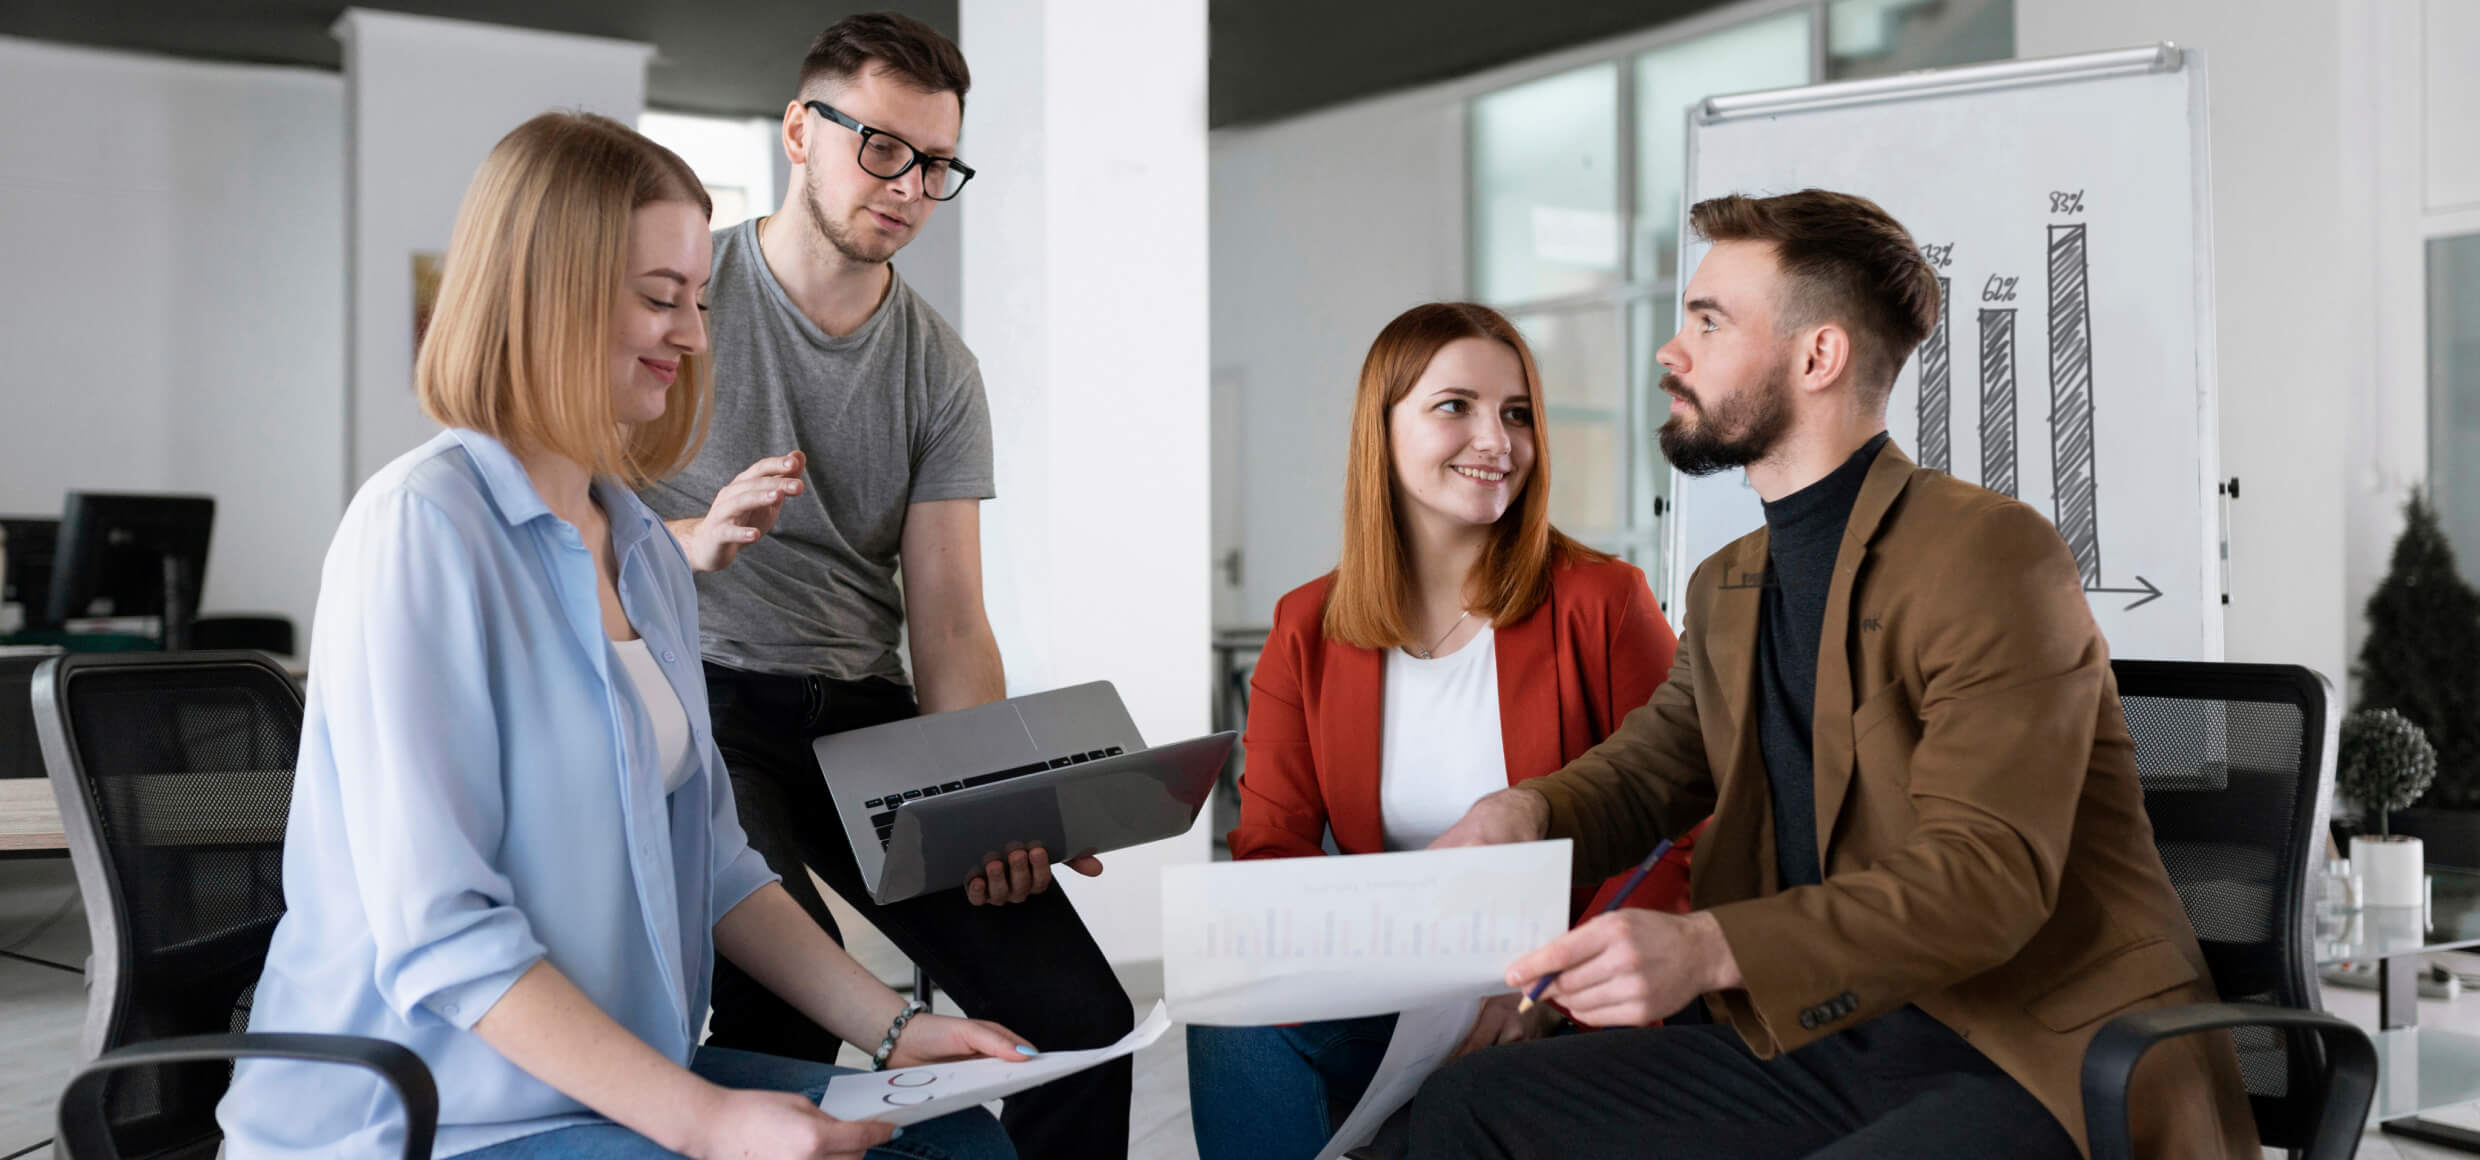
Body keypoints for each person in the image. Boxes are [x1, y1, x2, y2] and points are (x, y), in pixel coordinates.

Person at [217, 112, 1027, 1160]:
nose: (693, 335)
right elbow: (442, 930)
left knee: (958, 1142)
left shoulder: (643, 548)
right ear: (546, 295)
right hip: (424, 1113)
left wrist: (894, 1026)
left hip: (611, 1080)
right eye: (658, 297)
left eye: (699, 300)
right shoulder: (421, 528)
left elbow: (720, 866)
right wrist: (708, 1120)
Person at [1410, 190, 2259, 1159]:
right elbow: (1650, 768)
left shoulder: (1990, 554)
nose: (1672, 351)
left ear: (1818, 357)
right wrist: (1522, 812)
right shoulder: (1728, 582)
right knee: (1469, 1104)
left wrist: (1708, 946)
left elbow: (1984, 875)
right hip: (1830, 1033)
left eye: (1708, 322)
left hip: (2031, 1050)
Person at [636, 14, 1132, 1159]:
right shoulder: (681, 304)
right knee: (781, 1005)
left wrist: (984, 799)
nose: (909, 186)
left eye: (935, 163)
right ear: (798, 132)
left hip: (861, 717)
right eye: (882, 148)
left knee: (1080, 1020)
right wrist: (695, 533)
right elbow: (570, 530)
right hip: (701, 695)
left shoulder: (938, 368)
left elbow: (948, 617)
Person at [1186, 302, 1703, 1160]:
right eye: (1455, 406)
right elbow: (1273, 849)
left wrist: (1551, 988)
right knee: (1231, 1010)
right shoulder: (1306, 625)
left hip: (1570, 983)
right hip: (1396, 980)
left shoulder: (1603, 601)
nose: (1496, 441)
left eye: (1517, 413)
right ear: (1382, 429)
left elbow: (1682, 826)